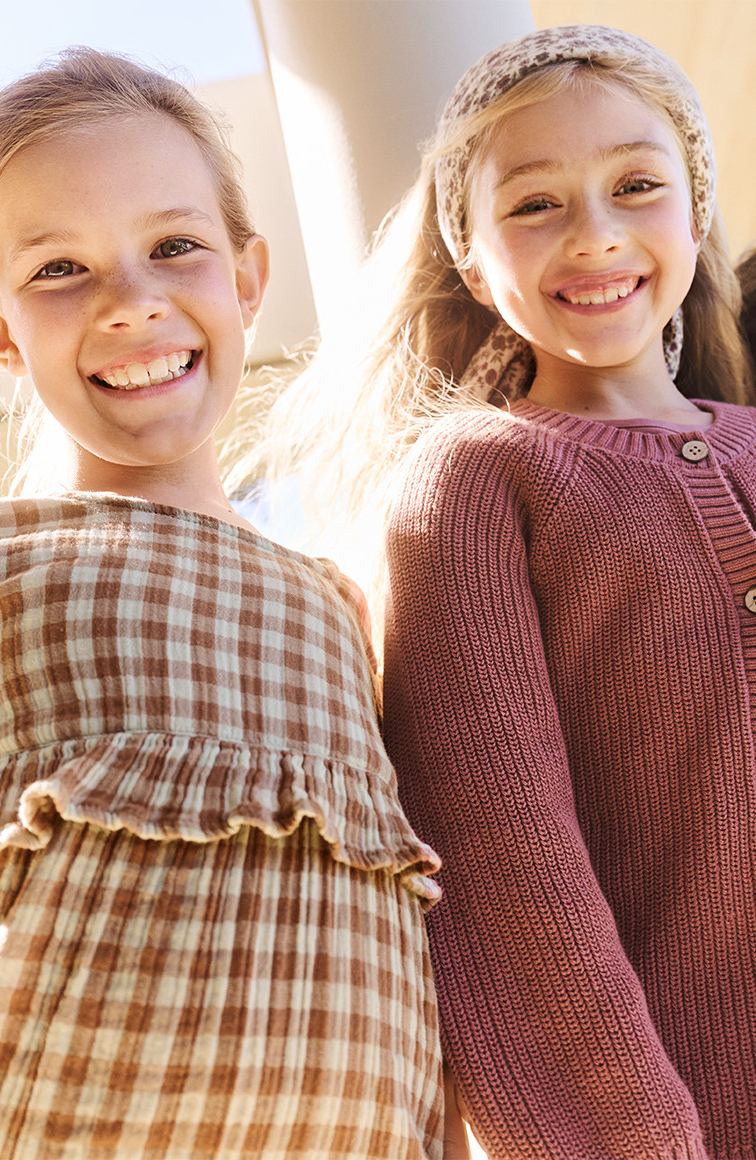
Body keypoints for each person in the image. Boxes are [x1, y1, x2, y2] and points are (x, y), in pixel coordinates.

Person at [0, 48, 448, 1160]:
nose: (130, 302)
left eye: (173, 247)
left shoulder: (343, 608)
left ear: (246, 277)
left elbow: (412, 970)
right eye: (60, 269)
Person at [251, 23, 755, 1160]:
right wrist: (626, 1136)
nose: (595, 234)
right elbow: (499, 852)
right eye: (534, 204)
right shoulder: (474, 478)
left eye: (636, 184)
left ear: (691, 213)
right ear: (472, 260)